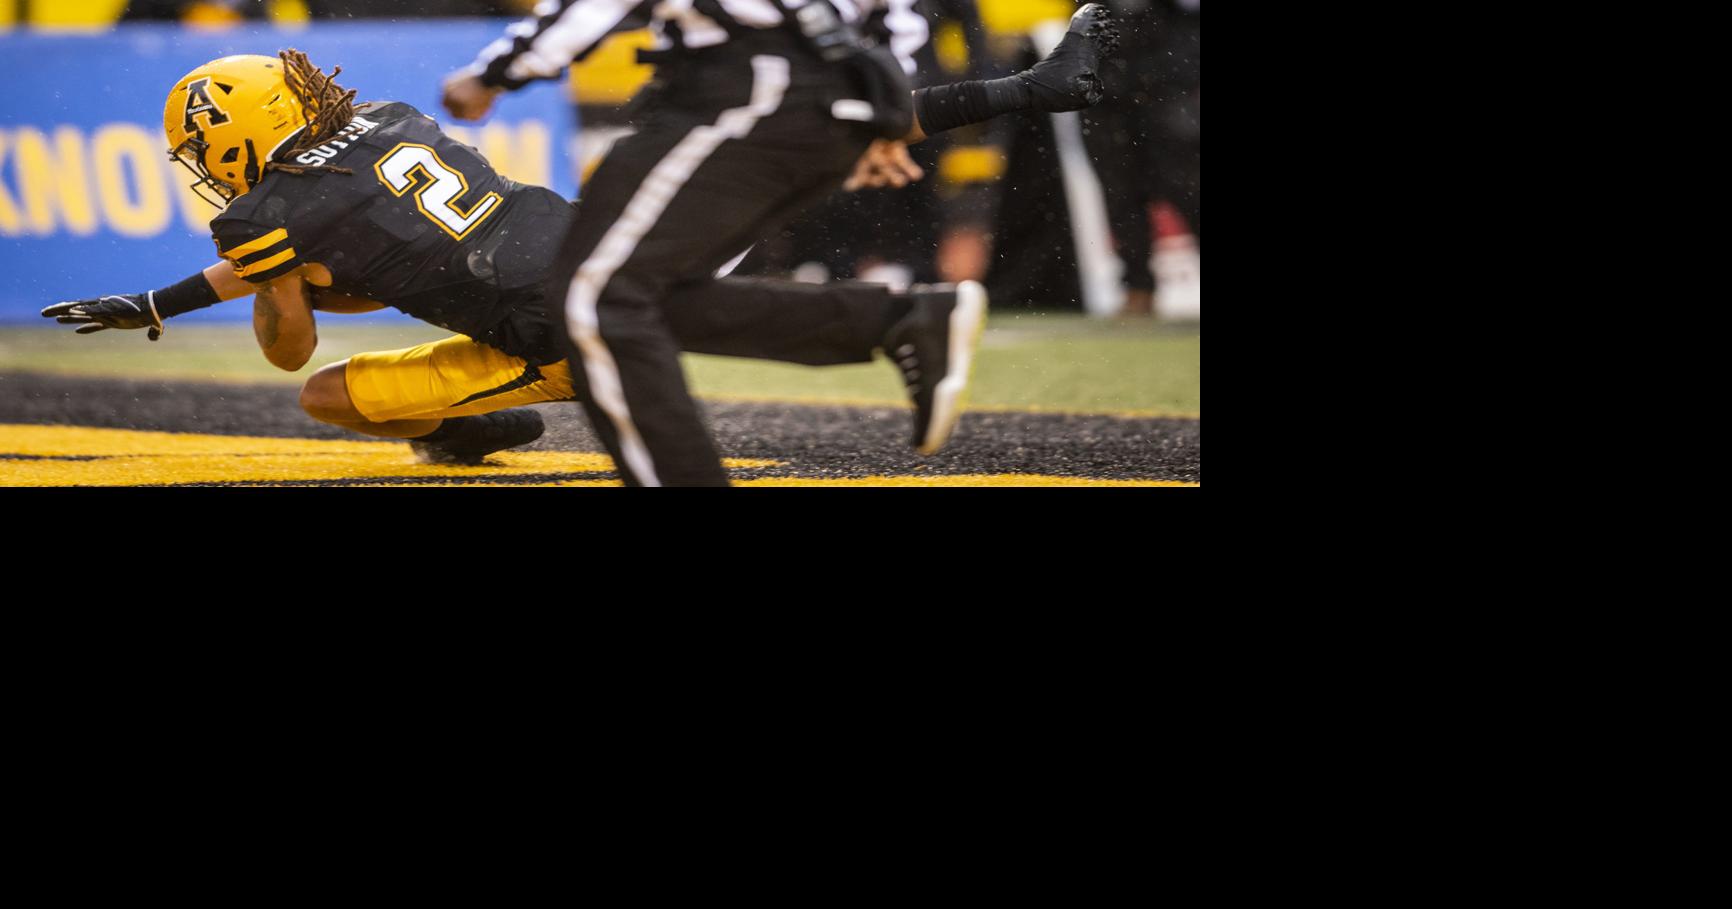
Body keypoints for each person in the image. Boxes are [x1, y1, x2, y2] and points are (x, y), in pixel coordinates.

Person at [42, 16, 1113, 470]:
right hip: (605, 241)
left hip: (565, 321)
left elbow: (292, 338)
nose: (206, 165)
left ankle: (482, 422)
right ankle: (1027, 90)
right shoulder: (391, 121)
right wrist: (166, 301)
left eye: (205, 147)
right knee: (807, 135)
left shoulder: (267, 215)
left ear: (242, 135)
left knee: (326, 396)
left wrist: (274, 290)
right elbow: (350, 251)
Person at [439, 0, 1117, 485]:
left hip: (746, 97)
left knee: (597, 299)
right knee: (629, 298)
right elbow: (894, 19)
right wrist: (884, 113)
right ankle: (897, 320)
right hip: (800, 102)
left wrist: (496, 72)